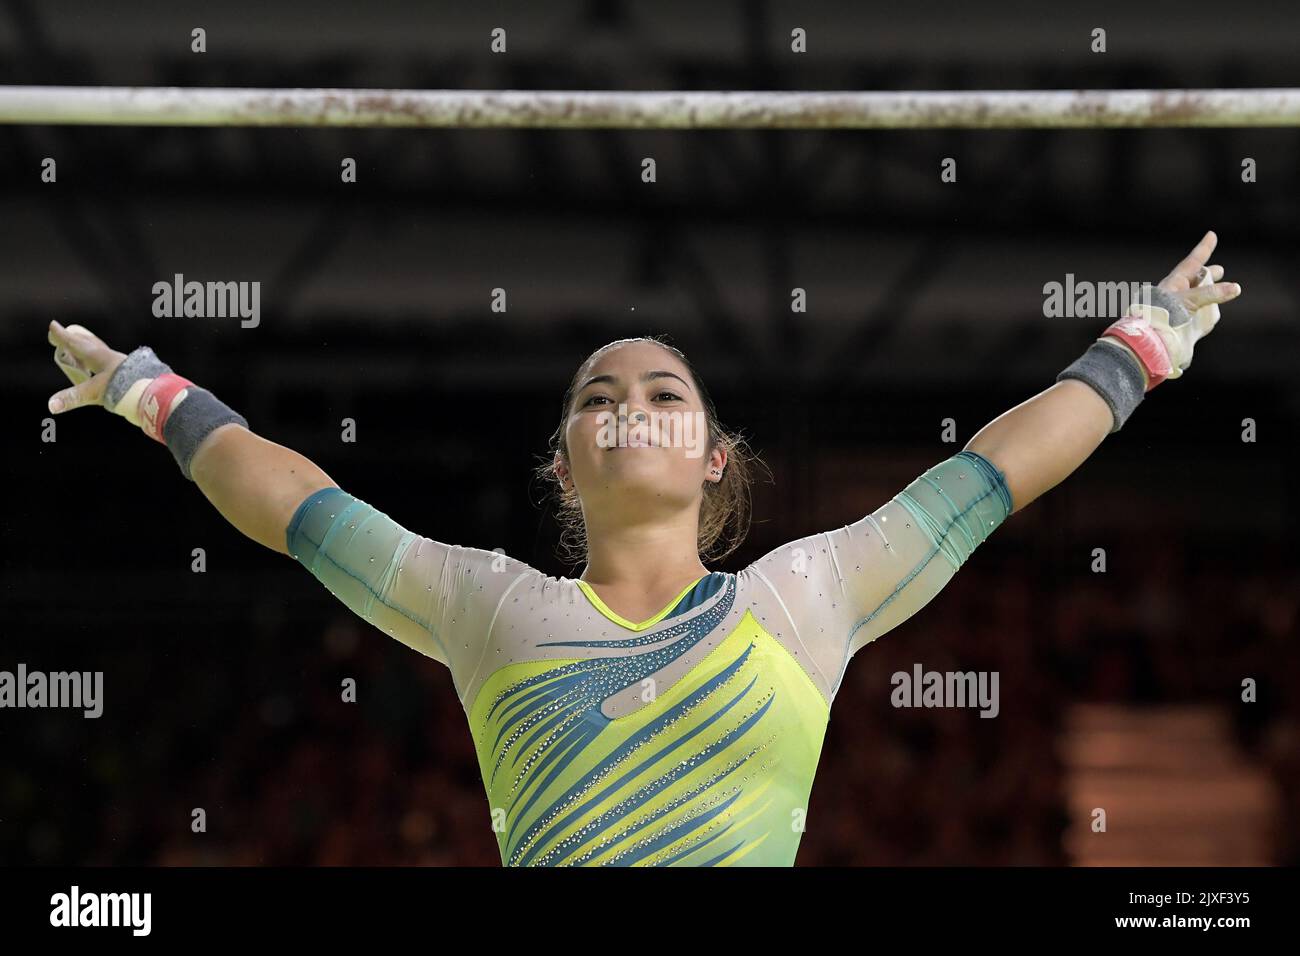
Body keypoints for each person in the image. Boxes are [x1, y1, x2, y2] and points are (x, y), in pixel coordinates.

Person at [45, 231, 1240, 866]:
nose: (630, 399)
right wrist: (155, 394)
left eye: (664, 388)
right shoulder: (489, 606)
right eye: (597, 390)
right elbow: (298, 504)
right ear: (562, 461)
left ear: (715, 452)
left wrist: (1143, 343)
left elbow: (990, 475)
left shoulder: (804, 594)